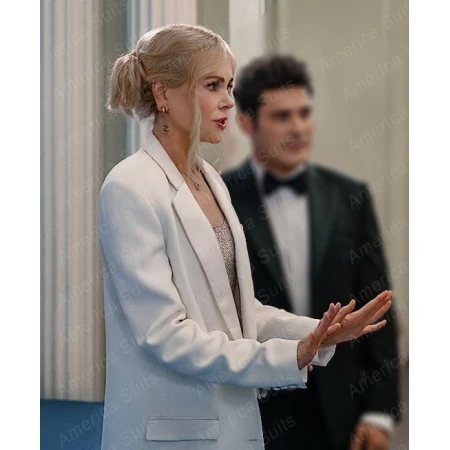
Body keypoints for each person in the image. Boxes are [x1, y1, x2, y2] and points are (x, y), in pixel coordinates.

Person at [98, 25, 392, 450]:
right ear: (163, 94)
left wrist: (320, 333)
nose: (228, 101)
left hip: (233, 430)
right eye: (212, 85)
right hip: (171, 435)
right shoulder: (129, 186)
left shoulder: (211, 180)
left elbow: (238, 311)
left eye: (229, 85)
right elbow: (164, 333)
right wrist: (289, 355)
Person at [222, 54, 400, 450]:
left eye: (304, 113)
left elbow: (378, 304)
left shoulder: (349, 196)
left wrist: (378, 413)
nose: (298, 128)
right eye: (281, 116)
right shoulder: (219, 198)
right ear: (246, 123)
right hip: (254, 409)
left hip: (340, 413)